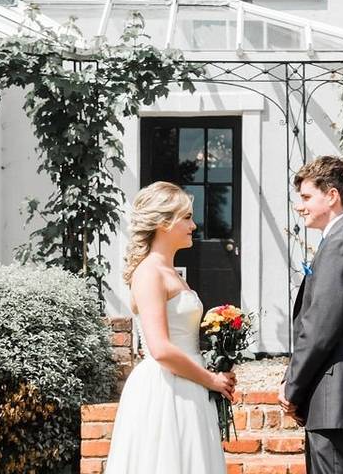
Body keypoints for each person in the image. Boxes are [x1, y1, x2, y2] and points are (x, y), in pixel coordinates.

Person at [105, 181, 236, 474]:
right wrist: (211, 380)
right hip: (165, 388)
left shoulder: (170, 272)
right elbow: (161, 349)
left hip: (188, 384)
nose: (193, 225)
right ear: (164, 223)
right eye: (186, 217)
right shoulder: (149, 273)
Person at [278, 156, 343, 474]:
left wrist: (292, 386)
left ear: (333, 195)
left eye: (307, 197)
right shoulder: (340, 241)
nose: (300, 206)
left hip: (335, 400)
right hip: (329, 402)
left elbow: (320, 327)